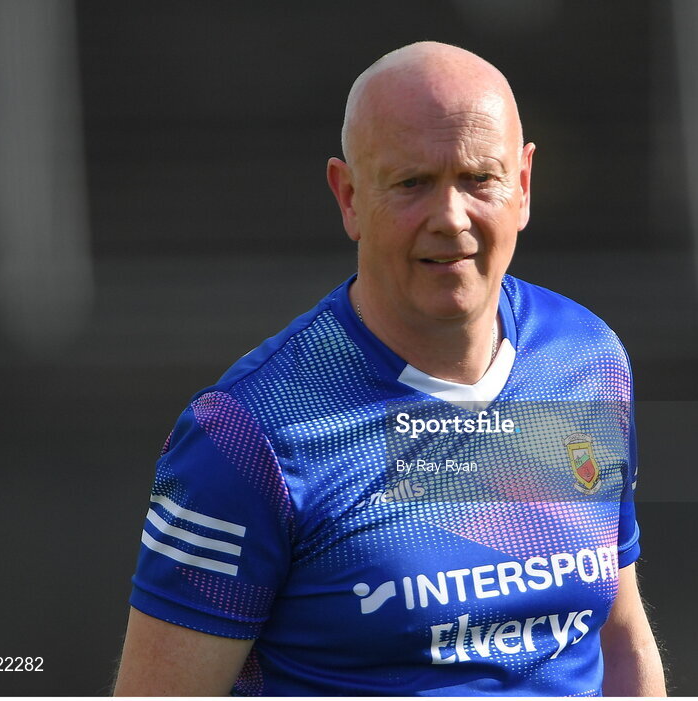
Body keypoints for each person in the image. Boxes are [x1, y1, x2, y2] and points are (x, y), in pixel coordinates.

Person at [113, 41, 665, 696]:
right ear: (348, 195)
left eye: (477, 179)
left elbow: (618, 637)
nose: (450, 217)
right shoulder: (244, 437)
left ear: (521, 185)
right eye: (412, 183)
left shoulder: (585, 357)